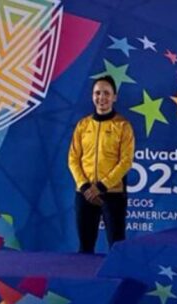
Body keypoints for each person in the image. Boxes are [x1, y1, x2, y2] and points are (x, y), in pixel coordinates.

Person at [68, 75, 135, 253]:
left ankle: (119, 281)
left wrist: (102, 186)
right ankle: (83, 281)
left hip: (112, 194)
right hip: (85, 194)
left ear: (114, 97)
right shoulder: (83, 125)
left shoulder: (123, 126)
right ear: (92, 96)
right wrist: (84, 186)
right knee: (85, 248)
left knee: (117, 248)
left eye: (106, 93)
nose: (101, 97)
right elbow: (73, 158)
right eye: (97, 93)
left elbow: (126, 161)